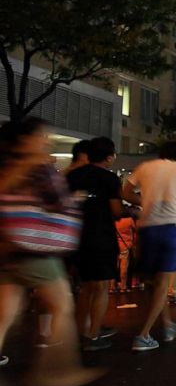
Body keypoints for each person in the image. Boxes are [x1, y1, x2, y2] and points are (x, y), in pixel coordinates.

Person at [0, 118, 102, 386]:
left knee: (4, 317)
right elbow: (60, 201)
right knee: (62, 307)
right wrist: (76, 201)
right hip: (35, 250)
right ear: (25, 140)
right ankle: (57, 372)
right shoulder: (39, 167)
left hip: (6, 248)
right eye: (41, 135)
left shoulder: (5, 167)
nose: (46, 140)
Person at [122, 140, 176, 352]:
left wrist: (146, 202)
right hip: (174, 230)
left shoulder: (145, 168)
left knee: (156, 281)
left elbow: (126, 192)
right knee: (163, 282)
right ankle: (143, 335)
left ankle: (167, 325)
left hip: (148, 229)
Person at [66, 137, 125, 351]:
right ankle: (93, 335)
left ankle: (82, 331)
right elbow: (117, 211)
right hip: (101, 237)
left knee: (84, 288)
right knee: (100, 288)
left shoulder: (72, 176)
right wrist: (133, 211)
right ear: (109, 157)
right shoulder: (109, 179)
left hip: (76, 237)